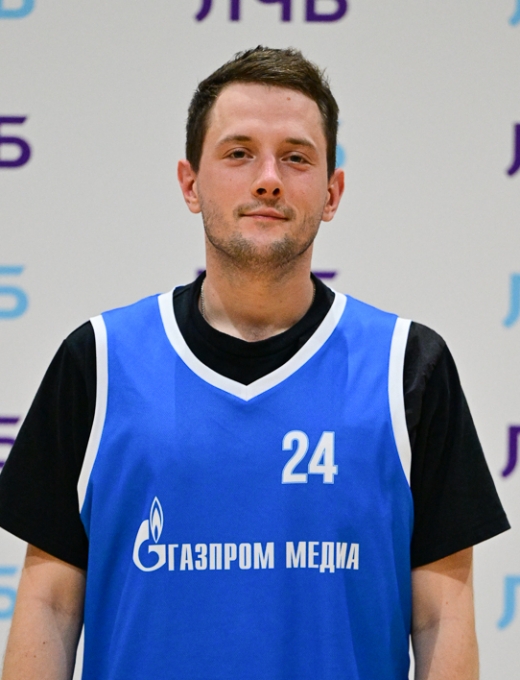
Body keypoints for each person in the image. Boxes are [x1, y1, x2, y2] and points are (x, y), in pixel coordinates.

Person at [0, 46, 509, 680]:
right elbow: (49, 606)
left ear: (332, 191)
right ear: (190, 183)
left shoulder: (410, 367)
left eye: (296, 157)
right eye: (239, 153)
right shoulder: (98, 361)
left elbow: (442, 620)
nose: (268, 178)